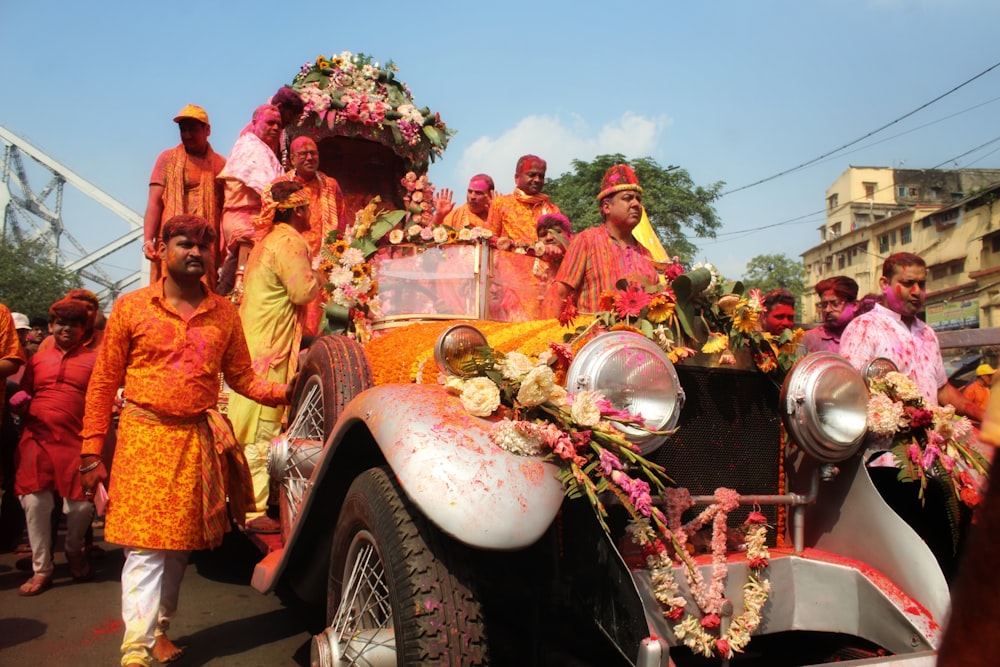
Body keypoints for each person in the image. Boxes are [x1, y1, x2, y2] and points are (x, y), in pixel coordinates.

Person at [79, 214, 292, 667]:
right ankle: (134, 651)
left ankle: (158, 630)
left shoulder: (224, 313)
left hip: (195, 439)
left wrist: (289, 390)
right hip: (142, 436)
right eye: (184, 243)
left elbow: (242, 379)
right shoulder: (132, 308)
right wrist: (90, 452)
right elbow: (102, 383)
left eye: (204, 246)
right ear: (160, 249)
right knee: (143, 548)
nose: (195, 253)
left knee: (177, 547)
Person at [228, 182, 321, 533]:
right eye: (307, 207)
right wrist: (323, 277)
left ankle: (246, 504)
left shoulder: (267, 240)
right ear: (297, 210)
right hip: (271, 348)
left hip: (255, 342)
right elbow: (301, 290)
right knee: (261, 429)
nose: (310, 213)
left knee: (250, 424)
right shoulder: (288, 241)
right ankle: (253, 512)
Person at [11, 298, 97, 595]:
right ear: (50, 326)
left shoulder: (95, 360)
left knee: (81, 506)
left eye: (74, 324)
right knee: (35, 502)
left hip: (77, 440)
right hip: (37, 438)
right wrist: (20, 403)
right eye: (60, 323)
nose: (66, 329)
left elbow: (101, 399)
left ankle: (74, 550)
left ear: (83, 330)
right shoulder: (36, 360)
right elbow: (24, 394)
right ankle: (42, 569)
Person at [840, 252, 983, 420]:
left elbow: (941, 390)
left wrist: (986, 417)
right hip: (885, 443)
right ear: (885, 284)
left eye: (921, 284)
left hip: (929, 442)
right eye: (908, 283)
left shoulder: (927, 332)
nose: (916, 291)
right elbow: (852, 392)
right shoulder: (863, 328)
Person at [545, 164, 658, 315]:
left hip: (637, 338)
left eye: (638, 199)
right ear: (606, 207)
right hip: (592, 336)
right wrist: (547, 336)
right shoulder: (586, 241)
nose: (636, 204)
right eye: (627, 198)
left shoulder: (647, 255)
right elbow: (559, 294)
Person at [142, 104, 227, 285]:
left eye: (193, 130)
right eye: (183, 129)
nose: (187, 135)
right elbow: (154, 203)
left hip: (204, 244)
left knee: (202, 293)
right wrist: (148, 240)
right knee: (167, 291)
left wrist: (225, 250)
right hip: (172, 239)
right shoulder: (166, 159)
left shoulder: (221, 165)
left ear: (207, 130)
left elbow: (226, 210)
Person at [279, 136, 347, 336]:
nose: (309, 158)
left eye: (313, 153)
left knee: (319, 316)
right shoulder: (281, 186)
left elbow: (341, 222)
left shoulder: (330, 185)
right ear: (292, 159)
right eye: (303, 154)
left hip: (323, 261)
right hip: (291, 260)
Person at [217, 104, 285, 295]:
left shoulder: (257, 146)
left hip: (244, 220)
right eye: (270, 123)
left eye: (278, 125)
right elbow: (270, 191)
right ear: (255, 123)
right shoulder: (253, 147)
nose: (275, 128)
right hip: (245, 220)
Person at [487, 155, 561, 244]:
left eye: (541, 176)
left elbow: (562, 242)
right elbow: (489, 239)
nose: (537, 180)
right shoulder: (501, 203)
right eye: (531, 175)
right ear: (517, 177)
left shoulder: (552, 209)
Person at [801, 276, 858, 353]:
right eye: (824, 305)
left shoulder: (867, 336)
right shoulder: (810, 338)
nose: (827, 310)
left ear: (854, 305)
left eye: (834, 303)